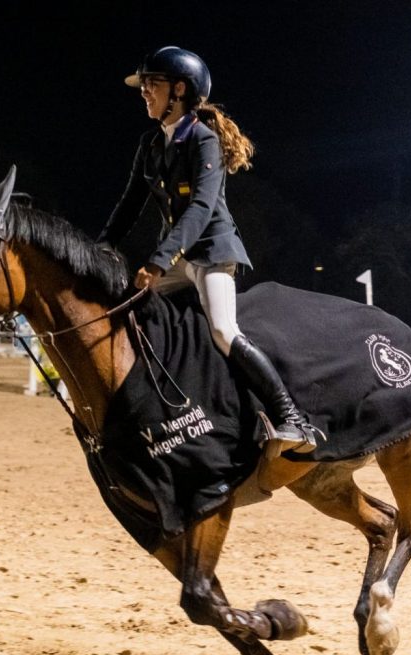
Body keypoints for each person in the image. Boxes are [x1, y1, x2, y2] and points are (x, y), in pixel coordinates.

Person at [98, 46, 316, 452]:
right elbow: (130, 202)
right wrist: (101, 247)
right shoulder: (151, 144)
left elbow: (200, 208)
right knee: (128, 310)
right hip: (180, 258)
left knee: (222, 330)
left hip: (212, 253)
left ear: (179, 90)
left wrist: (159, 262)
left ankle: (292, 419)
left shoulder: (203, 140)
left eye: (152, 84)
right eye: (143, 85)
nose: (144, 91)